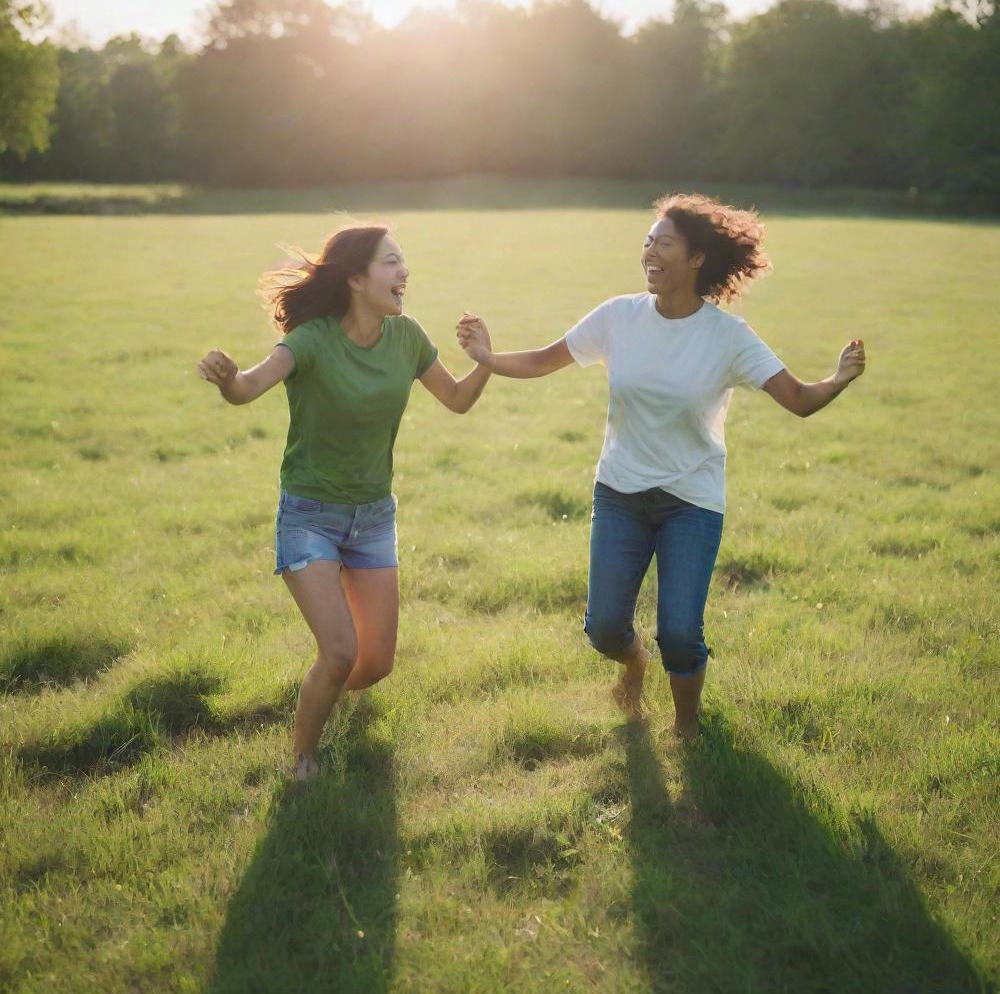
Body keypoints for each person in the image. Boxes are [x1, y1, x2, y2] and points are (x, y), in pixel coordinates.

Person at [457, 193, 866, 739]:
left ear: (696, 259)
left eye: (663, 243)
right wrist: (487, 358)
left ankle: (687, 728)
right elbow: (544, 359)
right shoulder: (619, 316)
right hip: (620, 491)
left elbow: (797, 398)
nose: (649, 250)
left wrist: (836, 381)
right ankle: (634, 664)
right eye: (647, 240)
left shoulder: (728, 338)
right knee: (603, 628)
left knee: (679, 630)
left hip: (690, 501)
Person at [198, 224, 490, 779]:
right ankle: (303, 764)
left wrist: (483, 360)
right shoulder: (310, 340)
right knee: (339, 651)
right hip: (310, 514)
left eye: (404, 261)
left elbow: (455, 400)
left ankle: (321, 689)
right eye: (391, 262)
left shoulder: (406, 337)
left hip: (374, 516)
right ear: (356, 278)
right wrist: (227, 377)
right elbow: (247, 389)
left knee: (372, 664)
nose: (404, 272)